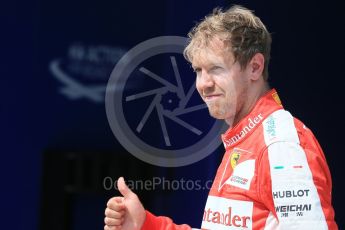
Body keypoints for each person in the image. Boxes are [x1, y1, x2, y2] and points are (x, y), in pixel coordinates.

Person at [104, 5, 338, 230]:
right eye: (198, 70)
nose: (203, 84)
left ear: (255, 67)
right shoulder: (245, 140)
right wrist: (147, 225)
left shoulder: (280, 144)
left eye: (216, 68)